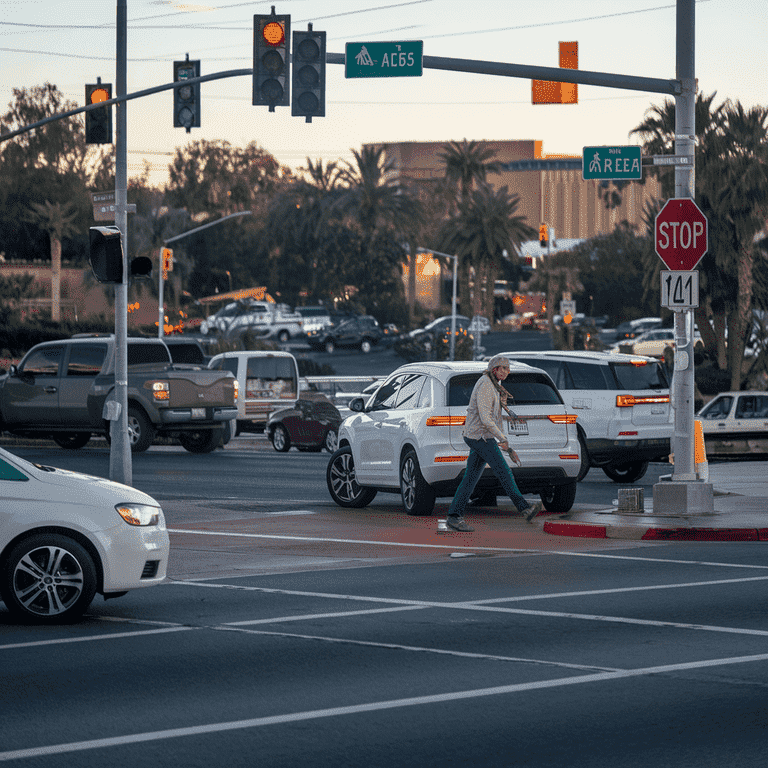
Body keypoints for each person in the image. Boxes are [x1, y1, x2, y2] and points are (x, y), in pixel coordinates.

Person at [445, 355, 544, 532]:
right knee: (504, 471)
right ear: (494, 370)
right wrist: (503, 439)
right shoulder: (485, 385)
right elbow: (485, 418)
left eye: (508, 368)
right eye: (504, 368)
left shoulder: (494, 385)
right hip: (479, 437)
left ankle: (454, 516)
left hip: (482, 436)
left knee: (470, 478)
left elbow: (494, 418)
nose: (507, 371)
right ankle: (524, 508)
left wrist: (502, 437)